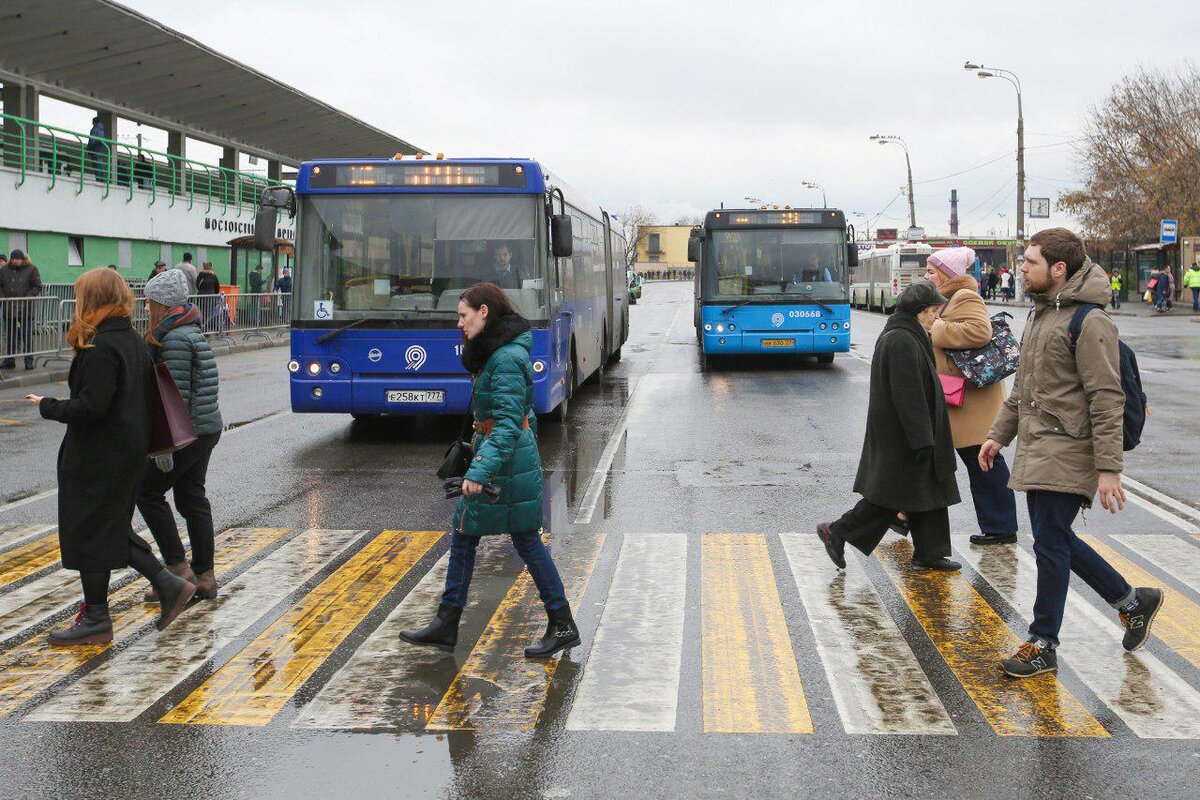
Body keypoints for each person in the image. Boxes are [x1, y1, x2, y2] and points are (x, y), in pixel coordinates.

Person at [979, 228, 1163, 678]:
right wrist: (998, 435)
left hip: (1071, 449)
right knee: (1052, 537)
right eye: (1022, 261)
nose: (1021, 268)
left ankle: (1043, 641)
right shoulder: (1041, 315)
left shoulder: (1090, 322)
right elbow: (1023, 390)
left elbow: (1106, 398)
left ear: (1059, 269)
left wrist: (1108, 469)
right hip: (1040, 448)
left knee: (1050, 542)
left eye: (1030, 262)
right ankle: (1132, 602)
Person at [401, 283, 581, 658]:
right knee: (468, 534)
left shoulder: (506, 360)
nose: (459, 323)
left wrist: (479, 471)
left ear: (484, 312)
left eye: (463, 315)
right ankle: (448, 622)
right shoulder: (496, 354)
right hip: (503, 459)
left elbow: (508, 423)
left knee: (522, 540)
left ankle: (560, 623)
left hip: (508, 464)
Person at [24, 268, 196, 645]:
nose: (78, 301)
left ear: (94, 299)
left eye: (81, 294)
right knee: (107, 529)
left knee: (91, 530)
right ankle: (159, 588)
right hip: (124, 452)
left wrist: (47, 405)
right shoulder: (131, 339)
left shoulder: (102, 346)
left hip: (99, 456)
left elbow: (91, 408)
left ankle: (104, 615)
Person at [817, 280, 962, 573]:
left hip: (909, 434)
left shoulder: (907, 334)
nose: (937, 317)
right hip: (905, 436)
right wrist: (922, 439)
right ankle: (837, 530)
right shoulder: (901, 340)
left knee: (926, 492)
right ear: (920, 311)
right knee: (888, 498)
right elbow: (908, 396)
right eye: (934, 311)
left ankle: (929, 553)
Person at [919, 247, 1019, 545]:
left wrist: (934, 326)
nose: (926, 276)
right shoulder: (944, 299)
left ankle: (1001, 528)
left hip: (971, 400)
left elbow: (979, 332)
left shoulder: (965, 296)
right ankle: (903, 518)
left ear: (947, 274)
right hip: (956, 397)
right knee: (937, 461)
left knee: (984, 463)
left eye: (931, 271)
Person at [136, 269, 223, 602]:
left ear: (162, 304)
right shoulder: (189, 330)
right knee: (191, 498)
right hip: (205, 428)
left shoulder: (173, 338)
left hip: (187, 431)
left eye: (148, 303)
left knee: (146, 492)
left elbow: (172, 397)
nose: (145, 309)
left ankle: (177, 569)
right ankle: (205, 576)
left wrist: (163, 446)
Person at [1, 249, 44, 370]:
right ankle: (9, 360)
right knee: (10, 335)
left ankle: (29, 361)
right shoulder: (4, 270)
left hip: (25, 308)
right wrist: (2, 298)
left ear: (22, 259)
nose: (14, 261)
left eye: (17, 259)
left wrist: (27, 298)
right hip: (9, 307)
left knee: (27, 335)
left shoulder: (31, 269)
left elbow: (37, 286)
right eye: (13, 259)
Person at [86, 116, 107, 181]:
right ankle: (101, 179)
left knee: (96, 164)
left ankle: (98, 179)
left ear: (94, 122)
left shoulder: (94, 129)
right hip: (100, 149)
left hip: (94, 148)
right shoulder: (102, 130)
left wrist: (89, 148)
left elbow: (91, 140)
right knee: (99, 164)